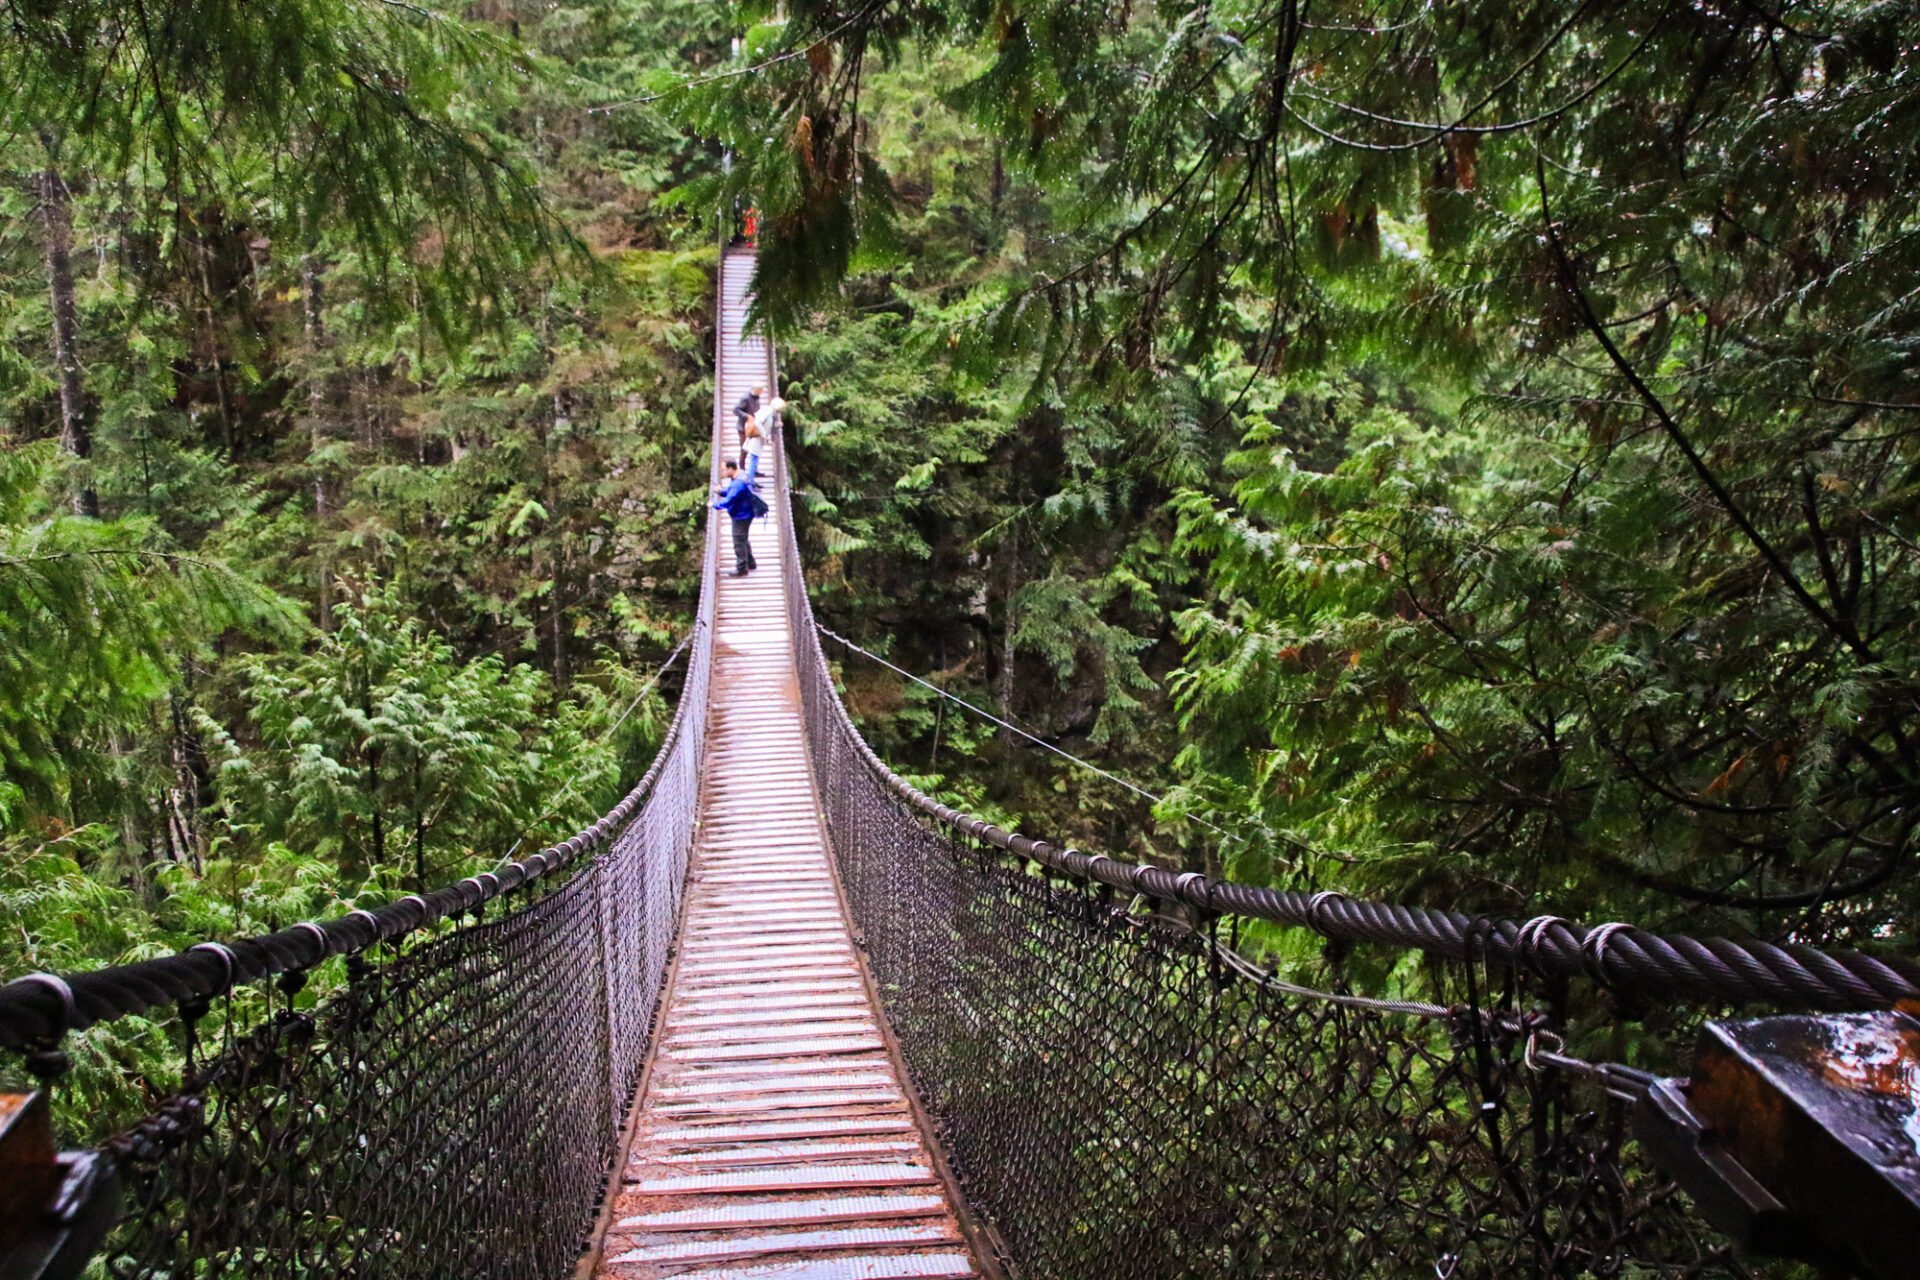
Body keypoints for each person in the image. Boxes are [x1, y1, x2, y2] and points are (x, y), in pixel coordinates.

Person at [712, 459, 759, 576]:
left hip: (741, 515)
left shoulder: (738, 483)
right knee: (743, 537)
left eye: (723, 470)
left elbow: (729, 500)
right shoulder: (741, 475)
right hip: (746, 512)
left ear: (730, 469)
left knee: (738, 540)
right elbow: (732, 492)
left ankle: (742, 568)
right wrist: (721, 492)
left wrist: (714, 505)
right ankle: (751, 562)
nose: (722, 473)